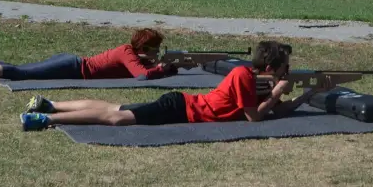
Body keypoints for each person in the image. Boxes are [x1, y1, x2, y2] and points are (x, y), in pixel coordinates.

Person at [18, 40, 329, 131]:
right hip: (182, 108)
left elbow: (276, 111)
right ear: (273, 69)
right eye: (285, 68)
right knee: (116, 117)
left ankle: (51, 105)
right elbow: (256, 116)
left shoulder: (251, 78)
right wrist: (275, 93)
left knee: (116, 109)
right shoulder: (244, 77)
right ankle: (48, 118)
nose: (289, 72)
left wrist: (308, 95)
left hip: (181, 105)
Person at [0, 28, 183, 88]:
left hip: (71, 63)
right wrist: (161, 69)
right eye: (156, 49)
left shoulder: (132, 55)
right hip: (73, 67)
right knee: (20, 73)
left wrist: (163, 67)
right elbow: (141, 76)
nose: (157, 53)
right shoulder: (127, 52)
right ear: (148, 47)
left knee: (18, 68)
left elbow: (141, 68)